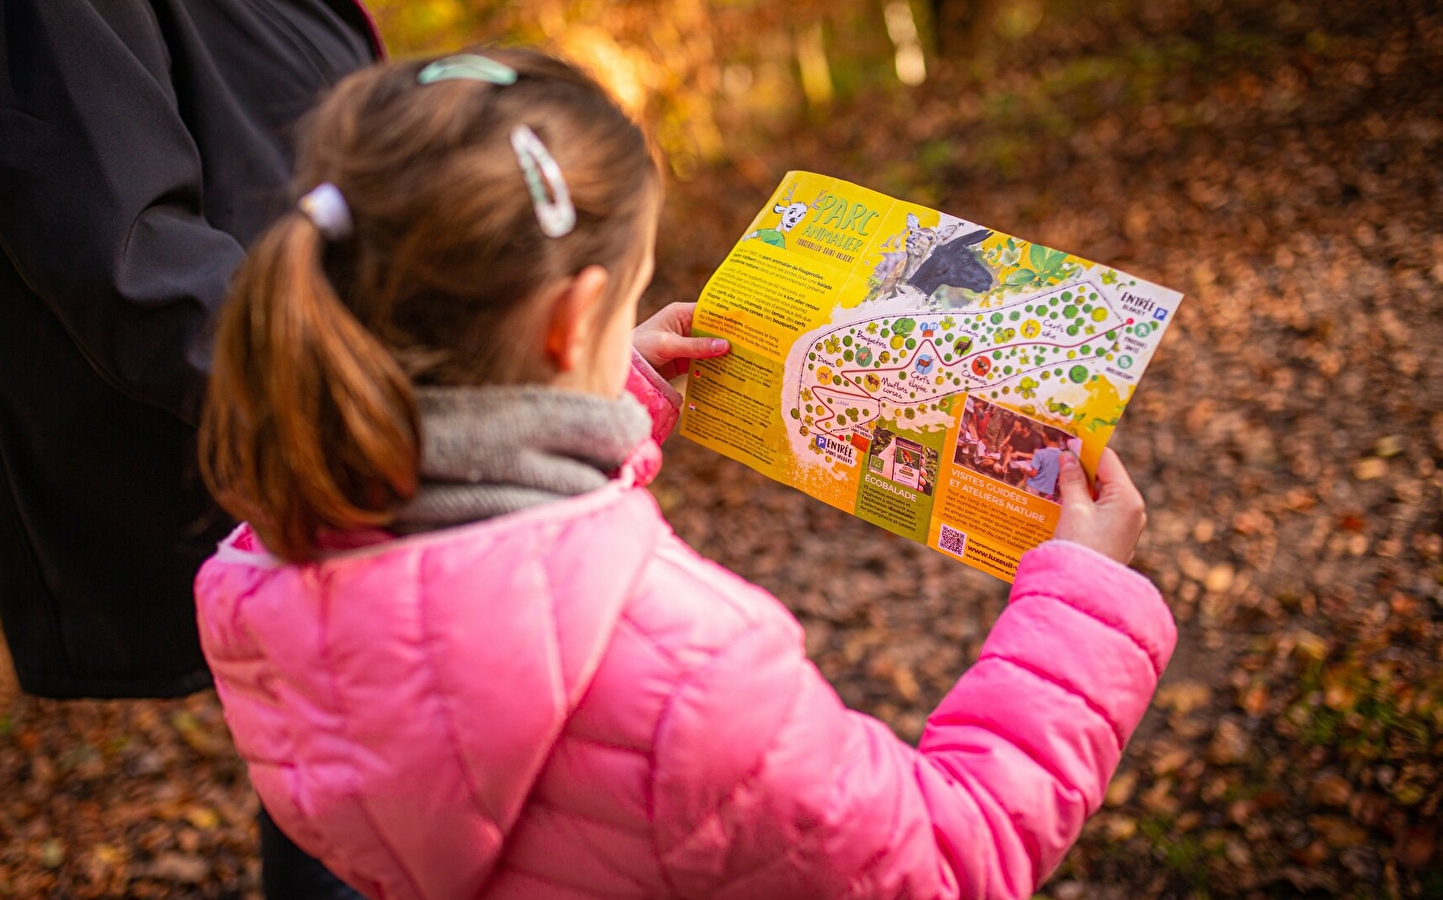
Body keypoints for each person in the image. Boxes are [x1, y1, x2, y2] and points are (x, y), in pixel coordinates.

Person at [194, 49, 1175, 899]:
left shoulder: (263, 565)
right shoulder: (692, 672)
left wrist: (610, 393)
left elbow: (484, 571)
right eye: (629, 291)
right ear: (570, 321)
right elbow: (947, 860)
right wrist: (1082, 602)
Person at [0, 2, 380, 895]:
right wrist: (406, 412)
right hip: (299, 432)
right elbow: (130, 258)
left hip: (339, 399)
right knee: (363, 783)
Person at [1021, 430, 1066, 502]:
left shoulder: (1040, 453)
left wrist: (1024, 470)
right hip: (1048, 491)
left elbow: (1033, 474)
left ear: (1046, 437)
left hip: (1033, 488)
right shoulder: (1063, 456)